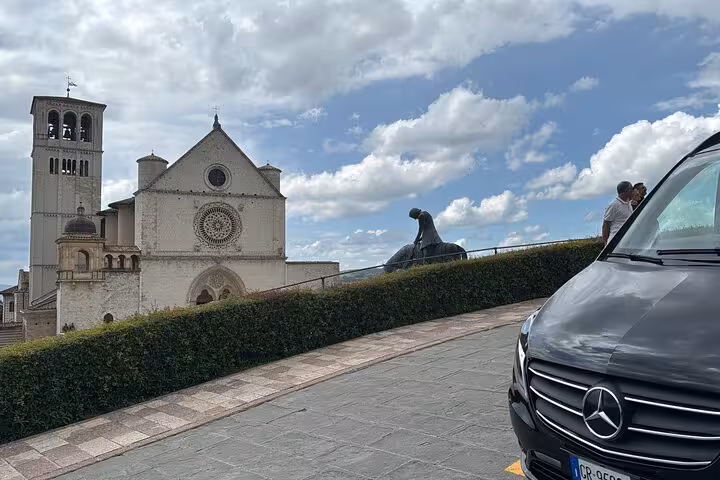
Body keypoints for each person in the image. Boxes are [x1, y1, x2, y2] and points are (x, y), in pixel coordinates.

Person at [602, 181, 635, 245]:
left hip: (627, 240)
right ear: (626, 190)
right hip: (616, 242)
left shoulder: (628, 203)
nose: (633, 191)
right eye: (631, 189)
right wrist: (606, 243)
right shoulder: (614, 205)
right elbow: (606, 224)